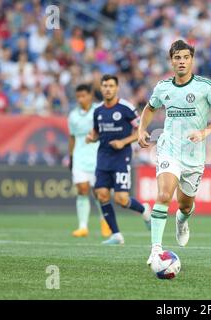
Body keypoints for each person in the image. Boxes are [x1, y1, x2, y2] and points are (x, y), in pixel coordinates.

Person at [138, 40, 211, 264]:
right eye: (177, 57)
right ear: (171, 60)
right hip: (168, 149)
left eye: (185, 57)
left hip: (194, 155)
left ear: (192, 60)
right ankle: (155, 250)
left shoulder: (206, 86)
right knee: (163, 195)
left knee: (185, 205)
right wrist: (142, 129)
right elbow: (150, 108)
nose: (181, 61)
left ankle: (181, 221)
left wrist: (205, 131)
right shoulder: (163, 87)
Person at [86, 74, 151, 245]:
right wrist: (91, 137)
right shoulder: (98, 111)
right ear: (101, 88)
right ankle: (116, 235)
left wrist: (123, 142)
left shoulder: (126, 108)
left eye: (111, 86)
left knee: (121, 199)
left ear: (116, 88)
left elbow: (141, 131)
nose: (107, 89)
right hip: (103, 158)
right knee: (101, 194)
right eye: (105, 86)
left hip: (121, 158)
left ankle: (144, 210)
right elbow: (96, 132)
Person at [68, 84, 111, 238]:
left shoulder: (98, 111)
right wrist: (71, 157)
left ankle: (105, 222)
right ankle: (82, 227)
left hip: (97, 157)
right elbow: (72, 137)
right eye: (78, 96)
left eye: (83, 96)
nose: (80, 99)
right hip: (79, 157)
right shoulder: (73, 115)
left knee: (100, 193)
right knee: (82, 189)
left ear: (90, 96)